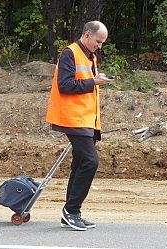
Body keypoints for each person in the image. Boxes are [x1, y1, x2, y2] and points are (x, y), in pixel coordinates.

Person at [45, 20, 113, 231]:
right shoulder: (70, 53)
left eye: (102, 43)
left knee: (80, 164)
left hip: (85, 120)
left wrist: (95, 79)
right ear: (87, 35)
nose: (99, 46)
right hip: (73, 119)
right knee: (90, 162)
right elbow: (65, 85)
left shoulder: (89, 55)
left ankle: (72, 213)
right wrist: (94, 81)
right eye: (98, 41)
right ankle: (71, 211)